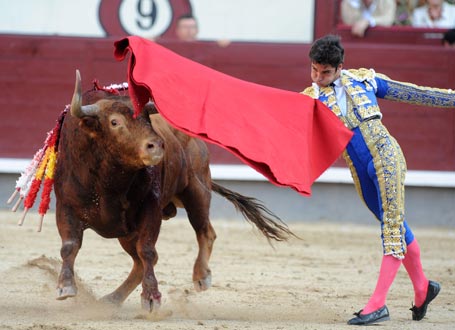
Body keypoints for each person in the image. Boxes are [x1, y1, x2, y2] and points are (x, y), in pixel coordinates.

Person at [302, 34, 452, 325]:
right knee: (393, 224)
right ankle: (423, 288)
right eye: (314, 70)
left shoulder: (366, 81)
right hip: (359, 170)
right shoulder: (309, 98)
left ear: (340, 68)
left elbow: (418, 94)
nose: (318, 78)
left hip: (387, 156)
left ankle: (378, 304)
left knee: (392, 228)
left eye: (325, 72)